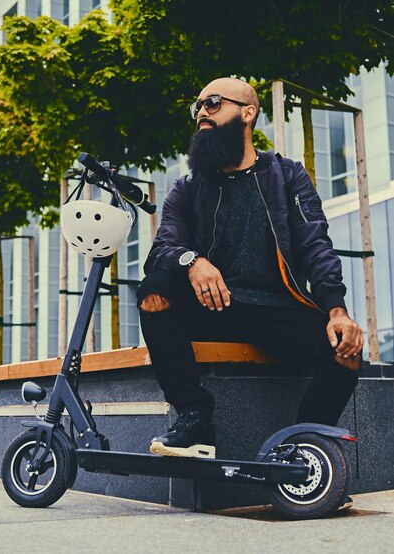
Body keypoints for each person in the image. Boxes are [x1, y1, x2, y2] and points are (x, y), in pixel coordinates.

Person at [137, 77, 363, 460]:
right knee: (155, 290)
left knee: (347, 351)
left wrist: (336, 310)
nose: (201, 114)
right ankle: (194, 419)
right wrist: (193, 261)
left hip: (277, 307)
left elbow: (315, 245)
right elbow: (162, 249)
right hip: (215, 307)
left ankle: (305, 447)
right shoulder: (188, 187)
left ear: (248, 112)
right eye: (197, 108)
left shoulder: (287, 175)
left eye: (212, 103)